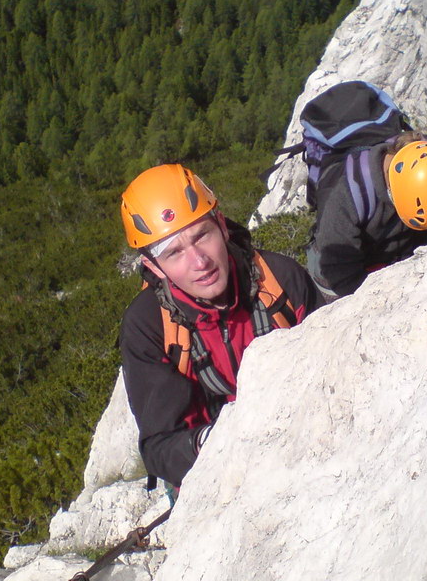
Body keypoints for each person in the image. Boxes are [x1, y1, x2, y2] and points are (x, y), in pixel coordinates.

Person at [119, 163, 324, 488]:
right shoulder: (149, 327)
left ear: (222, 225)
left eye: (202, 236)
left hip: (303, 439)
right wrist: (213, 445)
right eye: (174, 253)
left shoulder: (278, 281)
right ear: (153, 268)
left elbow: (332, 365)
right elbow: (159, 446)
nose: (199, 262)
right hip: (213, 472)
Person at [308, 132, 427, 299]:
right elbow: (342, 277)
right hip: (351, 261)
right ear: (393, 194)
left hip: (404, 249)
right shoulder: (346, 196)